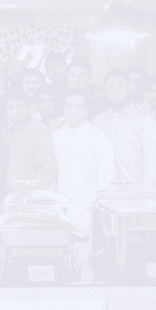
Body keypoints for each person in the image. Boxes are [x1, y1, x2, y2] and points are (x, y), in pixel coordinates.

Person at [52, 91, 116, 229]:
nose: (72, 110)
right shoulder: (55, 135)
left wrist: (99, 213)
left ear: (86, 111)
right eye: (68, 105)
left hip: (88, 212)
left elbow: (107, 180)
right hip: (59, 210)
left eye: (78, 106)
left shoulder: (99, 137)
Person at [91, 70, 156, 186]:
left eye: (120, 85)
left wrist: (148, 191)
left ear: (128, 87)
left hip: (135, 191)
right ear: (105, 90)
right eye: (110, 86)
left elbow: (152, 159)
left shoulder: (144, 120)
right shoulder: (97, 121)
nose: (115, 91)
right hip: (104, 191)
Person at [0, 92, 57, 186]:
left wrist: (30, 191)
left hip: (26, 193)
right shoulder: (6, 131)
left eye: (20, 107)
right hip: (7, 191)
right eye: (11, 107)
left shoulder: (39, 133)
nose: (15, 111)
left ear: (30, 108)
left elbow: (47, 170)